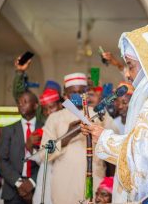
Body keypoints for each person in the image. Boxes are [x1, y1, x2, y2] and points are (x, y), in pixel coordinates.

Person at [81, 24, 148, 202]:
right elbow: (146, 145)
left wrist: (104, 138)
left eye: (130, 66)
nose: (129, 75)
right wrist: (102, 135)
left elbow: (147, 160)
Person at [40, 73, 106, 204]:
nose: (78, 96)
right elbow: (44, 154)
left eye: (81, 92)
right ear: (65, 95)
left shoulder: (99, 115)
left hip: (94, 181)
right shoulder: (54, 119)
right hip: (64, 184)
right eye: (73, 93)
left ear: (87, 93)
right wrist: (68, 135)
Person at [0, 91, 43, 204]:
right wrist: (19, 183)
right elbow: (1, 161)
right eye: (19, 102)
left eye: (25, 102)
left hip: (38, 189)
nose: (20, 105)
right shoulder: (8, 130)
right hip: (12, 190)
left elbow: (48, 161)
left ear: (36, 105)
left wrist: (31, 182)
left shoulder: (45, 128)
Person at [30, 89, 63, 204]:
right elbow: (39, 159)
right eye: (45, 109)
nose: (49, 112)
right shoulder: (42, 130)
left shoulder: (69, 124)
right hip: (46, 178)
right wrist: (30, 145)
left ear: (60, 105)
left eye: (52, 107)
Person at [13, 54, 62, 123]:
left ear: (59, 104)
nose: (48, 112)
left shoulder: (67, 113)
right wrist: (20, 72)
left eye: (52, 106)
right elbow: (21, 95)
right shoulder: (40, 113)